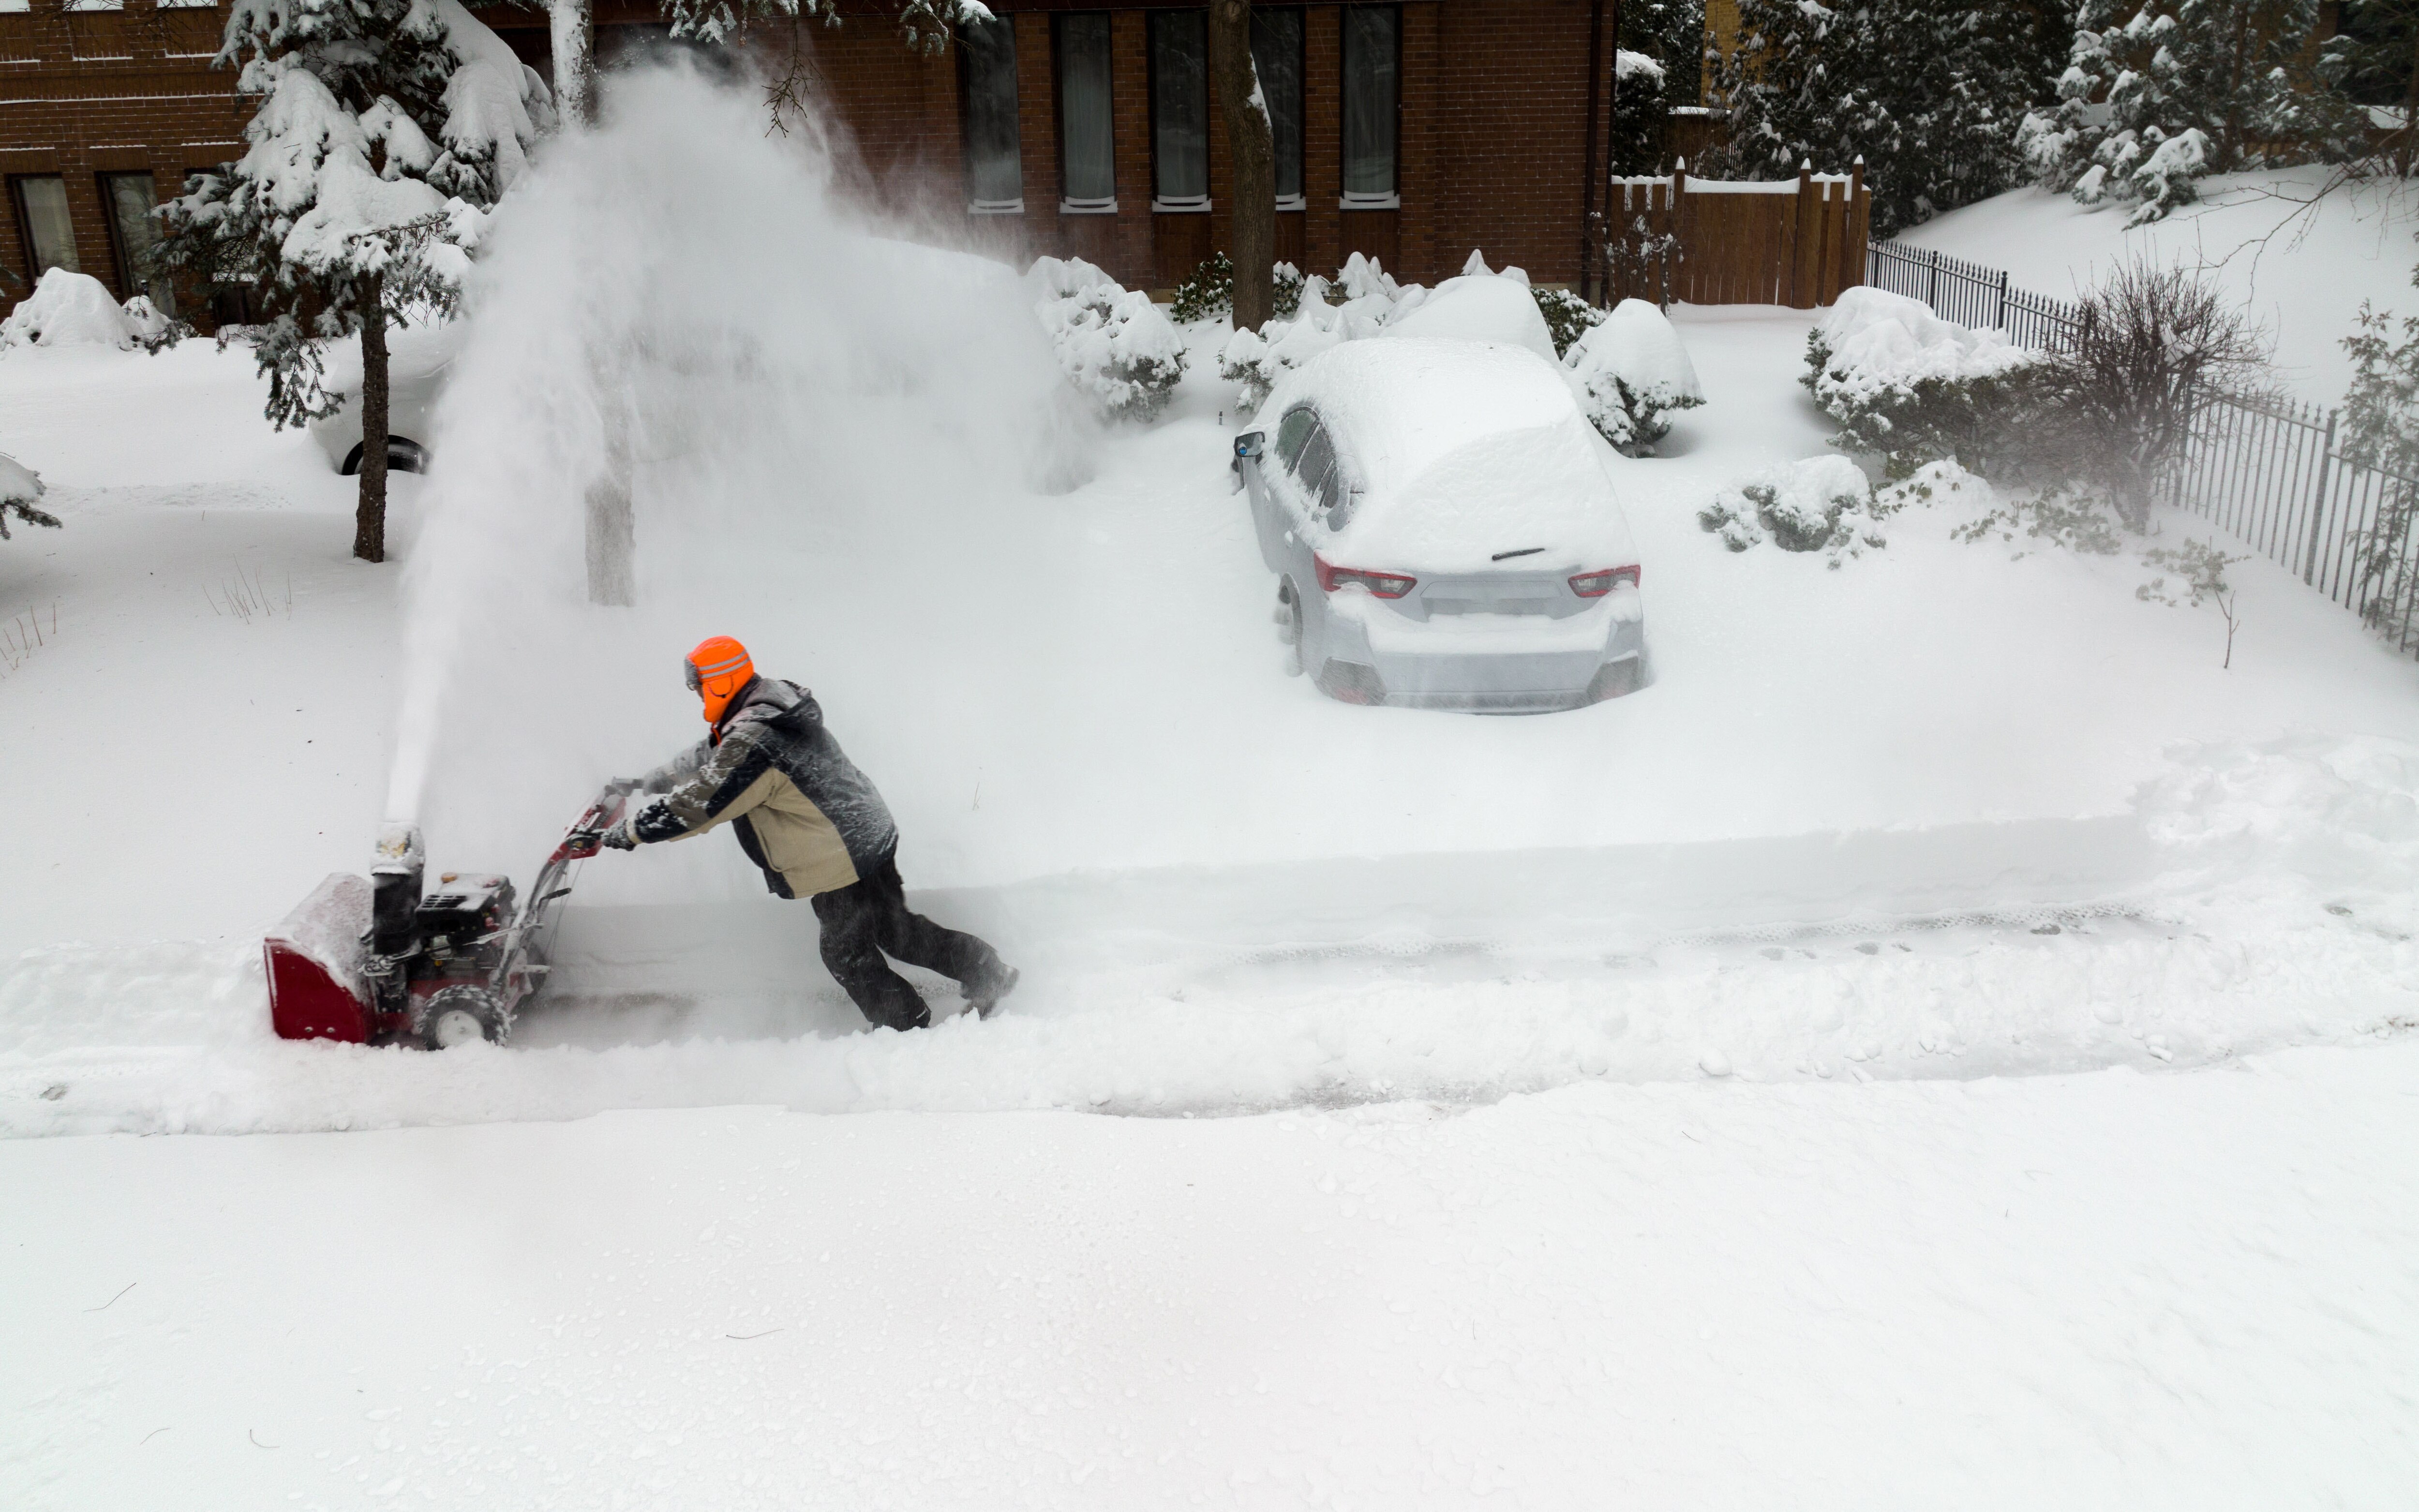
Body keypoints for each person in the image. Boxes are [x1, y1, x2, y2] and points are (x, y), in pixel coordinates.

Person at [598, 635, 1017, 1030]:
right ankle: (987, 975)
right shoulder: (764, 707)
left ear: (722, 681)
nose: (697, 694)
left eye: (701, 685)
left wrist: (633, 831)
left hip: (841, 852)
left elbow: (705, 803)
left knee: (846, 952)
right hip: (862, 833)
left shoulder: (756, 738)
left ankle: (905, 1025)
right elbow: (711, 754)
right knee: (895, 932)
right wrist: (653, 780)